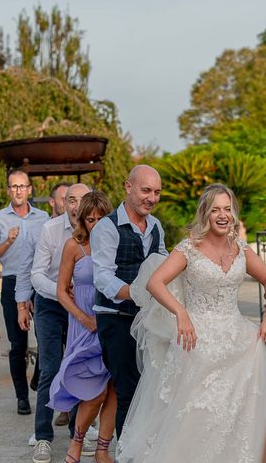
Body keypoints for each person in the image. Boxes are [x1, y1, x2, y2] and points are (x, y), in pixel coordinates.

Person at [116, 183, 266, 462]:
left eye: (227, 209)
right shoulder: (189, 249)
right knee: (197, 413)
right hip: (197, 342)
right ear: (205, 213)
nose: (222, 215)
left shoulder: (240, 248)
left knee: (237, 414)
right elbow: (156, 283)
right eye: (215, 209)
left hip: (238, 341)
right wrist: (181, 313)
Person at [91, 165, 167, 439]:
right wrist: (134, 292)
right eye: (146, 190)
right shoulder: (106, 227)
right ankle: (126, 453)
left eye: (157, 192)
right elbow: (101, 277)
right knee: (128, 391)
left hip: (148, 320)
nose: (152, 197)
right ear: (128, 187)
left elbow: (162, 264)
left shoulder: (156, 226)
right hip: (116, 317)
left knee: (151, 388)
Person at [50, 191, 116, 463]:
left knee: (113, 387)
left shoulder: (115, 244)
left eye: (101, 219)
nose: (96, 225)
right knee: (95, 390)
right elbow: (62, 291)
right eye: (90, 219)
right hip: (85, 323)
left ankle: (102, 450)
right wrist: (84, 318)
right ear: (82, 220)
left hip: (112, 319)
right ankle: (76, 442)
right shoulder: (73, 246)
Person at [28, 183, 93, 463]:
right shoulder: (50, 230)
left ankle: (78, 431)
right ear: (63, 204)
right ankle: (43, 436)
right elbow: (36, 274)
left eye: (83, 199)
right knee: (50, 368)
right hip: (50, 306)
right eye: (71, 200)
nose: (77, 205)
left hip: (80, 306)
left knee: (79, 367)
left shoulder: (100, 230)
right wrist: (60, 288)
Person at [0, 170, 49, 415]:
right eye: (14, 186)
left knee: (47, 337)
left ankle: (39, 376)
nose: (19, 190)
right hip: (11, 281)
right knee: (18, 345)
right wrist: (8, 242)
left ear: (30, 189)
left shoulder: (43, 217)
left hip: (39, 281)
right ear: (8, 190)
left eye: (23, 186)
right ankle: (22, 397)